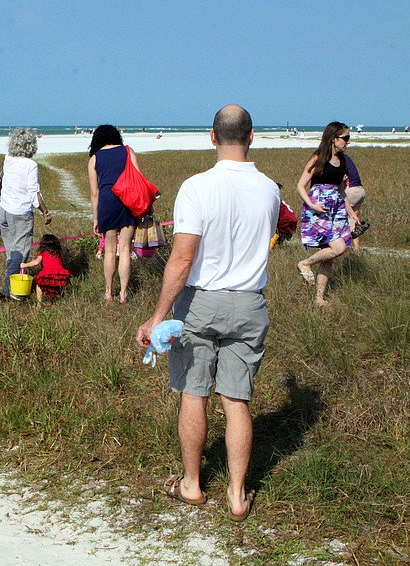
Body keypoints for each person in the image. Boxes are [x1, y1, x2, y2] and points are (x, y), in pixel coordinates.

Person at [135, 104, 280, 523]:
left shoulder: (196, 187)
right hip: (249, 301)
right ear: (251, 136)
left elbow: (181, 259)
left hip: (200, 301)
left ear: (212, 137)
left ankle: (192, 484)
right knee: (236, 400)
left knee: (193, 392)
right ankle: (237, 495)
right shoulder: (270, 188)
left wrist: (157, 315)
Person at [296, 122, 360, 307]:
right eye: (345, 138)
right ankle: (305, 263)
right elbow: (300, 185)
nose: (348, 142)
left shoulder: (343, 161)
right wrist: (311, 205)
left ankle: (319, 298)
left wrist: (351, 214)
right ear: (334, 138)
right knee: (339, 248)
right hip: (319, 209)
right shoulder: (318, 159)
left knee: (330, 256)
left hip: (336, 209)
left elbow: (341, 191)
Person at [0, 128, 51, 300]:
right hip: (20, 213)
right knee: (20, 254)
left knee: (11, 252)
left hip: (4, 211)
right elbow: (34, 192)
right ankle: (9, 291)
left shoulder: (8, 158)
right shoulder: (30, 165)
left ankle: (11, 285)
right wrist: (45, 212)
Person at [88, 124, 141, 304]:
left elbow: (94, 193)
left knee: (109, 250)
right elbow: (138, 178)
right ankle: (124, 294)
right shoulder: (127, 151)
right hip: (127, 199)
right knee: (125, 248)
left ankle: (108, 293)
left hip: (107, 201)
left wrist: (96, 217)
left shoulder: (94, 158)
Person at [20, 234, 71, 309]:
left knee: (39, 285)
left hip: (48, 272)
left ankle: (39, 304)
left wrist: (24, 265)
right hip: (60, 273)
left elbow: (36, 262)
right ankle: (57, 301)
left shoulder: (43, 253)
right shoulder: (57, 254)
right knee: (56, 286)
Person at [343, 154, 366, 253]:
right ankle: (357, 249)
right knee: (353, 220)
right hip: (360, 191)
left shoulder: (337, 159)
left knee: (337, 218)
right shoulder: (346, 157)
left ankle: (340, 247)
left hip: (350, 190)